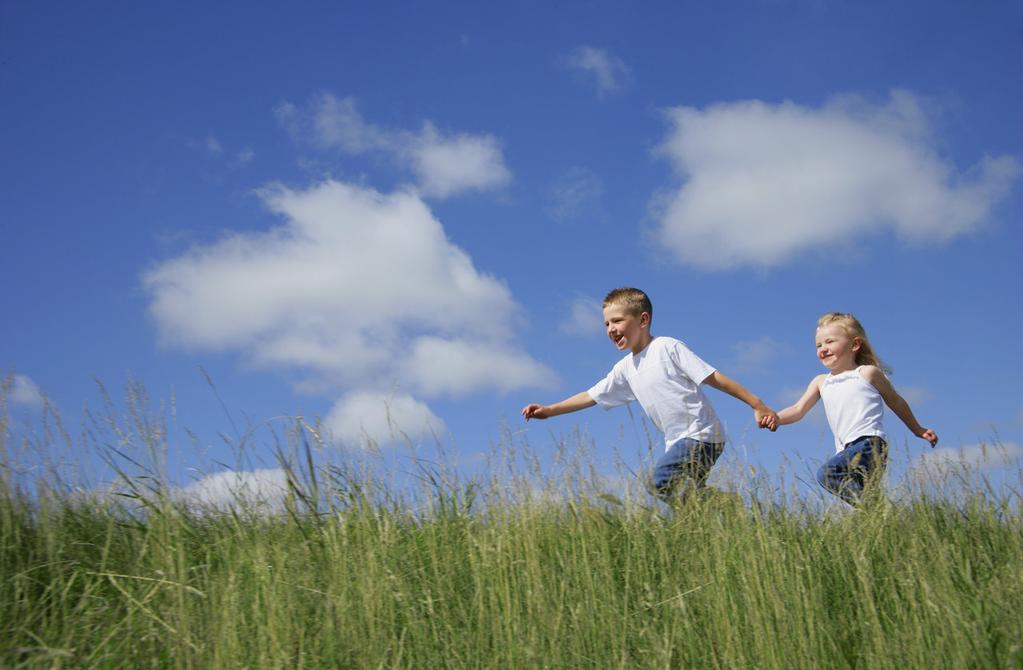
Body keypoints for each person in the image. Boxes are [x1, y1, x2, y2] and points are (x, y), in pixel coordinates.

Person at [521, 287, 778, 503]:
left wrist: (757, 404)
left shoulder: (667, 348)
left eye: (618, 321)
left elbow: (714, 378)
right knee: (687, 500)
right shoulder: (625, 369)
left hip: (702, 436)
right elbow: (591, 395)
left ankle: (722, 504)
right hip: (678, 442)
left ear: (643, 320)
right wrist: (549, 410)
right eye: (607, 323)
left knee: (660, 481)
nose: (611, 328)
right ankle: (722, 510)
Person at [772, 312, 938, 505]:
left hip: (870, 444)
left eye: (830, 342)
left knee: (828, 474)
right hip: (845, 450)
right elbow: (798, 409)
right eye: (818, 345)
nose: (823, 349)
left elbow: (896, 401)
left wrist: (917, 429)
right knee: (860, 494)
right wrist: (776, 418)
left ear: (855, 345)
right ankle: (882, 518)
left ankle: (877, 510)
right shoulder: (821, 382)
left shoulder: (867, 373)